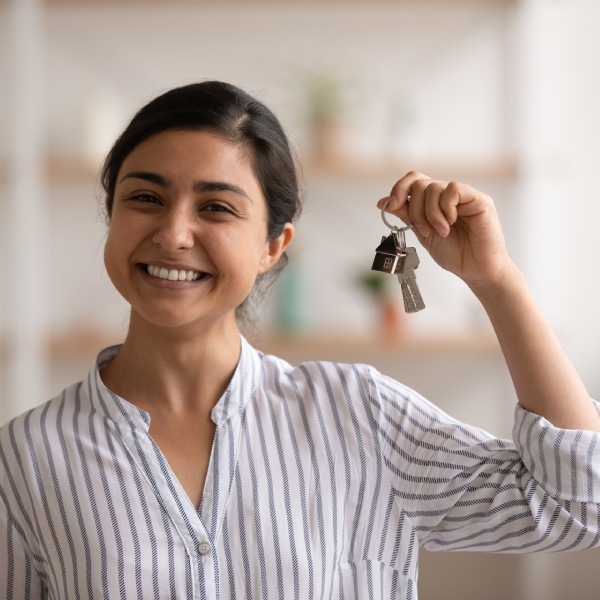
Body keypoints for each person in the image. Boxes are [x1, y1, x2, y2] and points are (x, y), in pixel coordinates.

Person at [1, 80, 599, 600]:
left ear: (272, 247)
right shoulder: (22, 458)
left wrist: (494, 280)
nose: (174, 232)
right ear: (112, 216)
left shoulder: (360, 414)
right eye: (145, 198)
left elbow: (579, 506)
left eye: (215, 207)